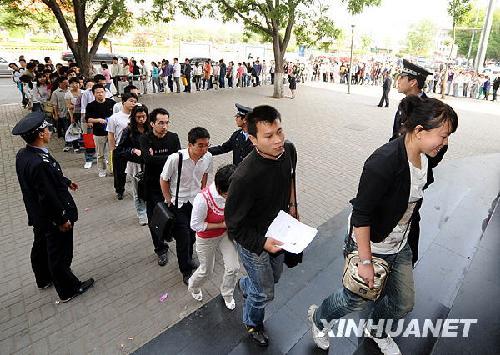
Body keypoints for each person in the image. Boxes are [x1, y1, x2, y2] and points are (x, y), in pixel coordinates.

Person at [308, 96, 458, 354]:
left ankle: (376, 330)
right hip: (372, 243)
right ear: (419, 131)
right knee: (352, 299)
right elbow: (361, 215)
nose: (445, 143)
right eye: (443, 136)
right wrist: (365, 261)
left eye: (448, 137)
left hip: (401, 243)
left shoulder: (428, 154)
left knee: (403, 303)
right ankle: (319, 318)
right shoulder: (383, 162)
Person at [224, 105, 298, 346]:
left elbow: (291, 176)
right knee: (265, 292)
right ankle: (252, 322)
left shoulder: (288, 150)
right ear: (253, 139)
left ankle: (245, 284)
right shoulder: (244, 177)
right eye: (269, 136)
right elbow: (234, 226)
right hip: (253, 240)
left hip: (279, 230)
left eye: (279, 131)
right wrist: (262, 242)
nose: (278, 140)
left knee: (273, 277)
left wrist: (293, 206)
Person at [13, 112, 95, 303]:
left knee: (41, 246)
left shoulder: (25, 154)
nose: (50, 131)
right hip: (51, 217)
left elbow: (40, 182)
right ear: (41, 134)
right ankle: (68, 289)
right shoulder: (39, 162)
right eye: (48, 129)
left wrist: (65, 181)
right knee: (60, 253)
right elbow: (47, 196)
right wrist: (62, 219)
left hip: (38, 216)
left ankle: (43, 278)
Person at [160, 127, 213, 284]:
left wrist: (203, 191)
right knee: (183, 238)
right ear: (190, 144)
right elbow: (164, 179)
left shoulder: (208, 157)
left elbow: (205, 174)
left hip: (196, 202)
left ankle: (189, 257)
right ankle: (186, 270)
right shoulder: (175, 159)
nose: (204, 149)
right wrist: (168, 199)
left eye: (207, 145)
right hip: (179, 203)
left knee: (193, 234)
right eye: (200, 145)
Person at [188, 164, 239, 310]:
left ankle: (227, 293)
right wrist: (222, 224)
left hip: (224, 235)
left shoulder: (233, 193)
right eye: (229, 194)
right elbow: (195, 225)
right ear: (220, 189)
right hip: (206, 239)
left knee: (234, 267)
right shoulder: (202, 199)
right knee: (206, 271)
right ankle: (194, 285)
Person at [140, 108, 181, 266]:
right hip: (152, 186)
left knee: (175, 215)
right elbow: (147, 160)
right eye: (160, 123)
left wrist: (156, 157)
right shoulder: (145, 139)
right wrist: (169, 158)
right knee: (155, 219)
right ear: (152, 124)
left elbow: (178, 158)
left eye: (167, 122)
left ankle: (176, 238)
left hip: (172, 184)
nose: (164, 126)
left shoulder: (173, 137)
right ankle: (160, 249)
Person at [116, 104, 150, 225]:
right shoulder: (128, 130)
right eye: (138, 117)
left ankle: (151, 211)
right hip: (135, 165)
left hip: (150, 164)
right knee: (137, 191)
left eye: (144, 116)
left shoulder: (150, 128)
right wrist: (133, 150)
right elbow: (120, 149)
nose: (141, 119)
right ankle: (142, 214)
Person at [107, 92, 138, 199]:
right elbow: (110, 134)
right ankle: (120, 190)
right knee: (119, 172)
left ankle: (138, 190)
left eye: (135, 101)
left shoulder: (138, 116)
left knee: (137, 170)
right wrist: (113, 150)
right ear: (123, 102)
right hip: (120, 148)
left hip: (134, 148)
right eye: (131, 101)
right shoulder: (114, 118)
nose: (133, 103)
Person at [391, 59, 432, 140]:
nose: (398, 81)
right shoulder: (405, 102)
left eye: (402, 77)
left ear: (413, 82)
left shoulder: (428, 108)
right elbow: (396, 135)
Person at [85, 84, 116, 177]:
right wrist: (98, 120)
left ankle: (112, 170)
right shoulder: (91, 105)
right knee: (100, 154)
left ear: (105, 92)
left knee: (112, 152)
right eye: (98, 92)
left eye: (102, 92)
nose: (100, 94)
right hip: (98, 133)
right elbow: (88, 119)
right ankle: (101, 170)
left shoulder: (112, 103)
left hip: (111, 133)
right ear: (94, 94)